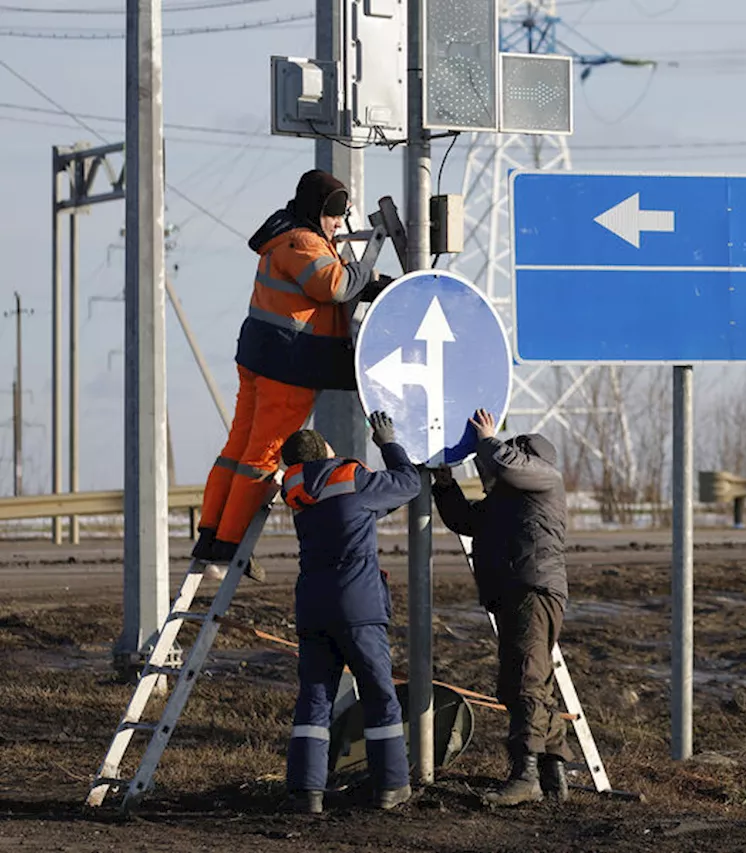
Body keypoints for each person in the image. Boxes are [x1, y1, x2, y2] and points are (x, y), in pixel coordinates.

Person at [192, 169, 390, 577]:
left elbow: (332, 285)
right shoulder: (302, 241)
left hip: (264, 358)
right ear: (320, 210)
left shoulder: (287, 237)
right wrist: (366, 271)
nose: (340, 224)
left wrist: (375, 285)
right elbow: (332, 287)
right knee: (261, 458)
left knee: (239, 449)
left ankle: (210, 535)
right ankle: (230, 545)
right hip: (289, 365)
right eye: (336, 214)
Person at [430, 408, 573, 806]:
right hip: (516, 590)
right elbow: (464, 520)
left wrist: (488, 438)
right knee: (530, 682)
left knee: (527, 679)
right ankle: (552, 769)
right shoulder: (507, 499)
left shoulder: (544, 477)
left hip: (533, 588)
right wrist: (444, 483)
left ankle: (525, 773)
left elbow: (505, 463)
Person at [279, 410, 420, 814]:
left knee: (315, 699)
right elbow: (408, 483)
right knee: (379, 695)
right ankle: (392, 786)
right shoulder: (352, 479)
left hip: (312, 606)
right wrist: (389, 443)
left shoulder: (296, 490)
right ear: (325, 449)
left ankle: (306, 793)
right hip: (357, 606)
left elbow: (352, 512)